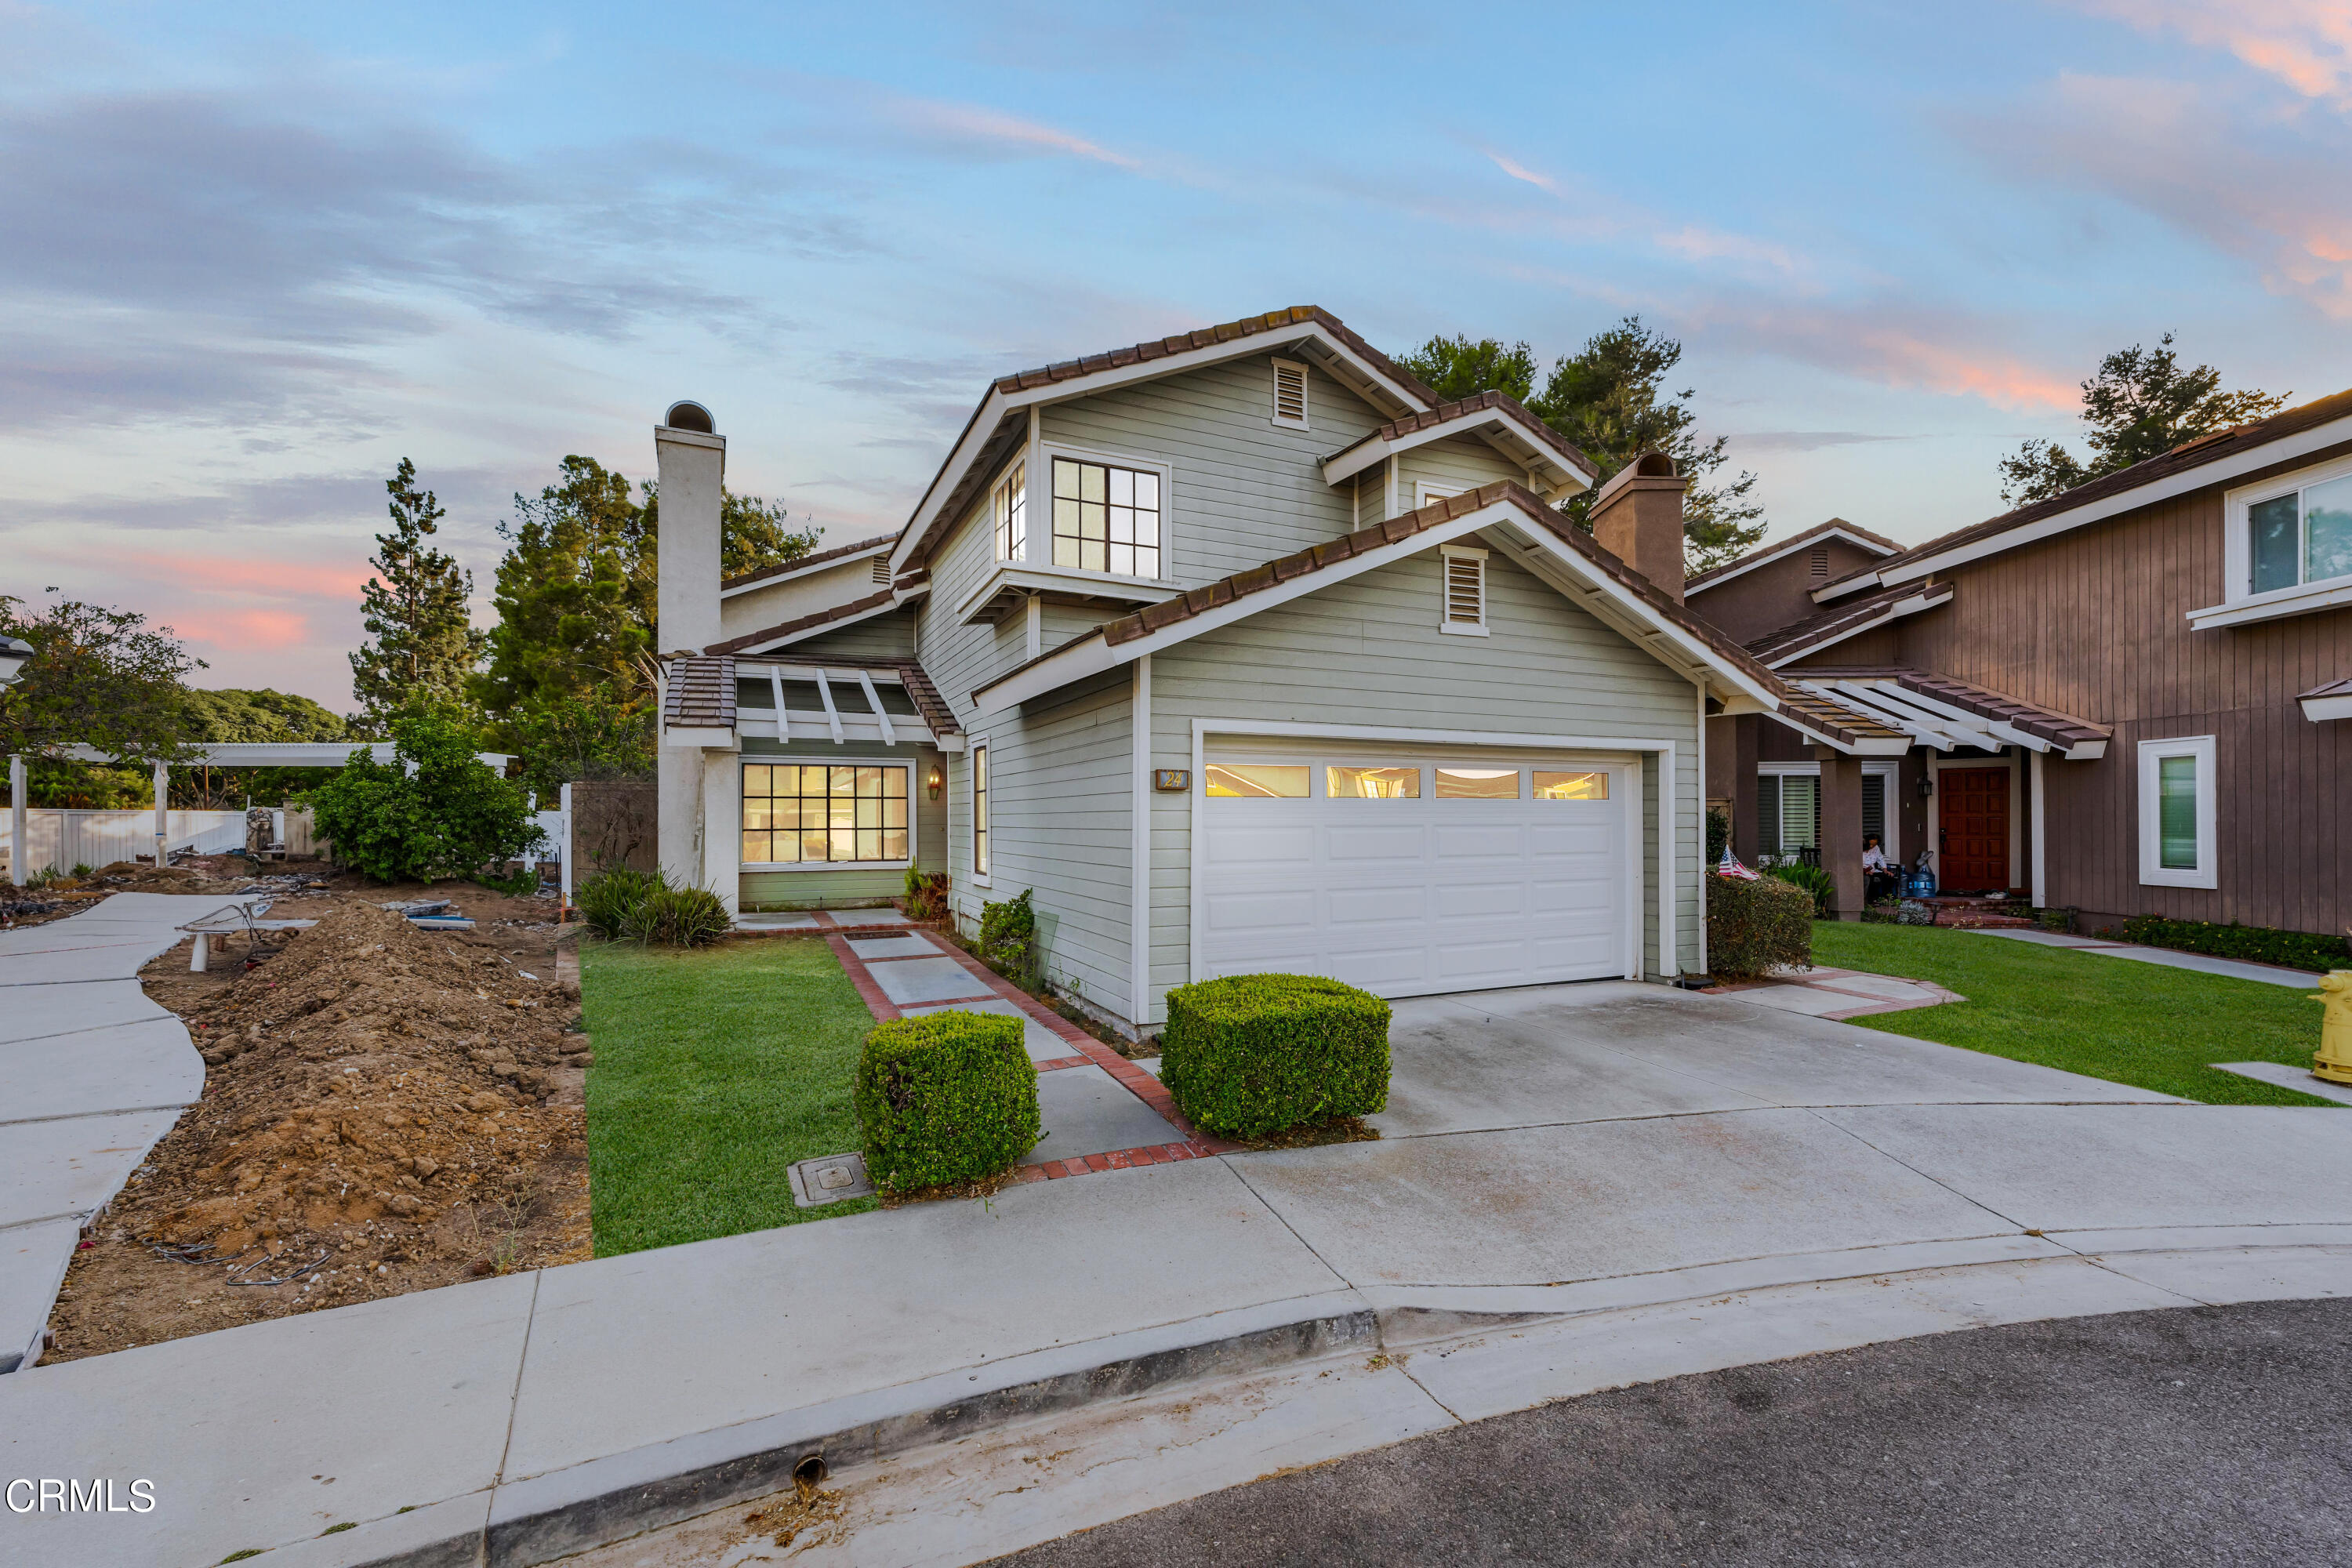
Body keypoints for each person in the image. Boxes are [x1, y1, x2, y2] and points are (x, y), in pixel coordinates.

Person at [1862, 835, 1897, 904]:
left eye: (1874, 845)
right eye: (1870, 844)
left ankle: (1885, 898)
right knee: (1871, 879)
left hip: (1873, 870)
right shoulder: (1859, 848)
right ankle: (1871, 900)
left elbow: (1880, 858)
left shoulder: (1876, 848)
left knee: (1888, 877)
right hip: (1862, 871)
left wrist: (1885, 870)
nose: (1872, 846)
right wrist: (1866, 871)